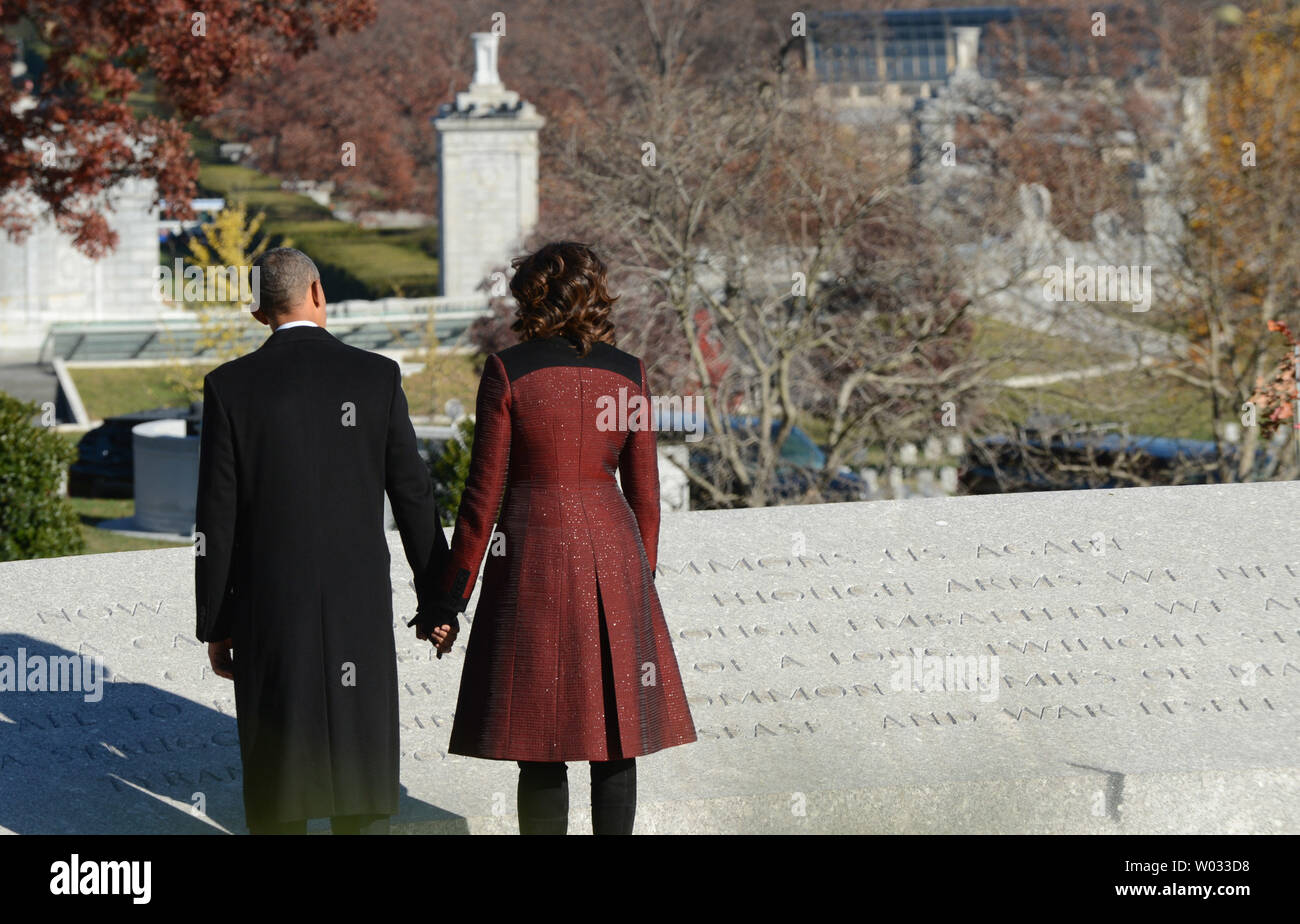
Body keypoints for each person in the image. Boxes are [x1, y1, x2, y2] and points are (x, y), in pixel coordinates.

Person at [425, 241, 696, 835]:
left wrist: (451, 597)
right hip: (616, 551)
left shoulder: (507, 371)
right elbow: (646, 495)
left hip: (530, 554)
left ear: (532, 297)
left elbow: (481, 499)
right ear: (594, 292)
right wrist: (639, 577)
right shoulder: (629, 372)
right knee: (616, 735)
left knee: (540, 738)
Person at [194, 247, 456, 835]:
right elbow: (413, 496)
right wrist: (438, 600)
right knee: (360, 776)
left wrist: (216, 622)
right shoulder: (376, 375)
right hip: (357, 606)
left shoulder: (229, 387)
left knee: (279, 786)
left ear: (258, 311)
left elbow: (216, 517)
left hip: (268, 610)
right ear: (318, 293)